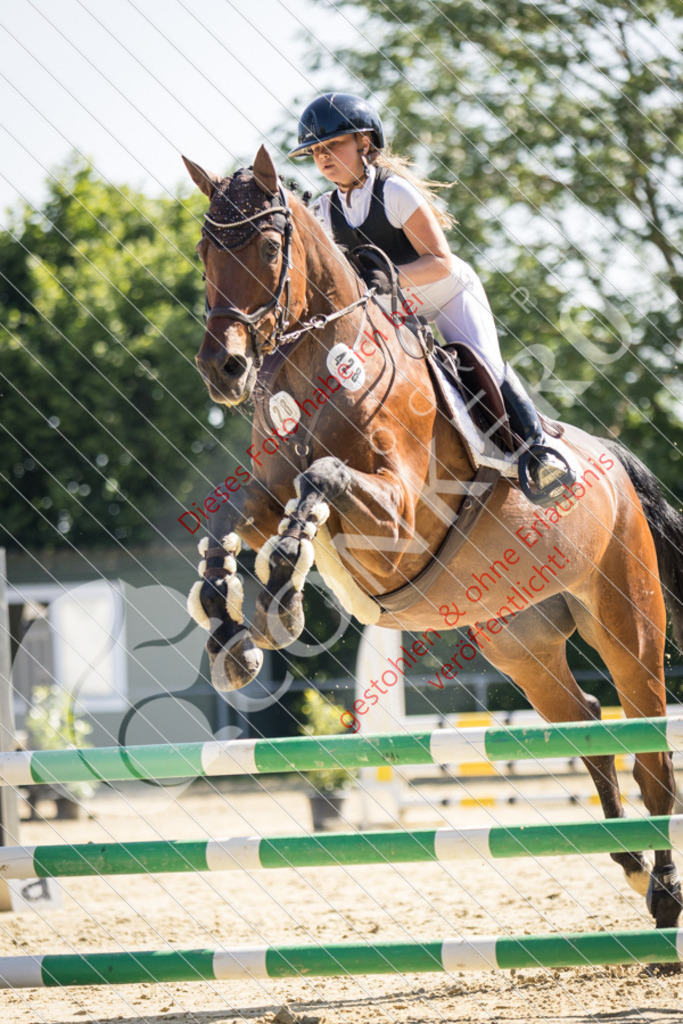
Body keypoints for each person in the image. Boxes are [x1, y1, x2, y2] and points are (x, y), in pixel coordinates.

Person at [288, 92, 574, 507]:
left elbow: (439, 263)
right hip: (397, 310)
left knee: (483, 367)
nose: (323, 158)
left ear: (364, 143)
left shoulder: (396, 192)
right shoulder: (323, 210)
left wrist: (384, 278)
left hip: (447, 294)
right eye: (315, 152)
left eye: (332, 146)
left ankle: (539, 451)